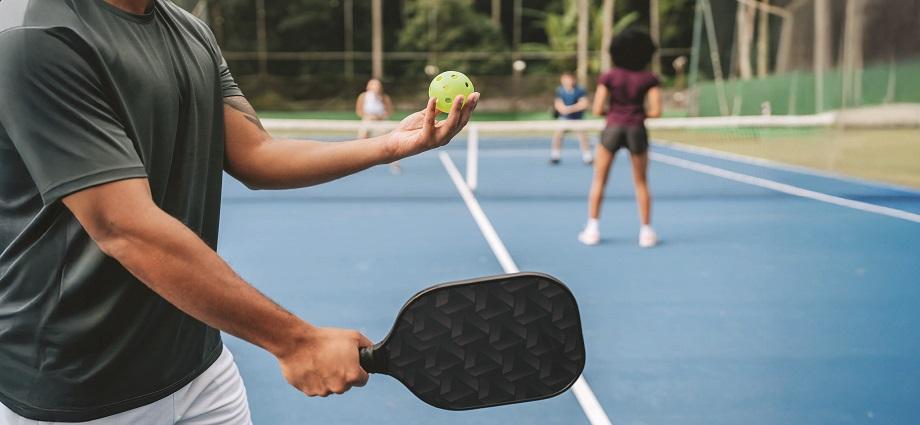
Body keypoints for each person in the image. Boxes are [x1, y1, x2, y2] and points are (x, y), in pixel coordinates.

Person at [0, 1, 479, 424]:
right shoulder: (39, 37)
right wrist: (294, 341)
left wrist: (391, 145)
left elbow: (256, 154)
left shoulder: (190, 32)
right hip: (79, 387)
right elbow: (124, 226)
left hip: (198, 366)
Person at [578, 28, 661, 248]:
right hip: (637, 130)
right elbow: (656, 111)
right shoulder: (649, 78)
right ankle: (646, 233)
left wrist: (616, 114)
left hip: (612, 128)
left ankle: (592, 230)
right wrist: (636, 113)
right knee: (641, 182)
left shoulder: (609, 76)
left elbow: (597, 109)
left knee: (599, 180)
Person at [356, 78, 401, 174]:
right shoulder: (363, 97)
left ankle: (394, 164)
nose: (375, 87)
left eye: (377, 85)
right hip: (367, 121)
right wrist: (368, 117)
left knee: (390, 141)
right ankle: (358, 162)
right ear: (368, 87)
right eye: (373, 85)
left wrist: (380, 117)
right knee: (361, 138)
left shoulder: (384, 97)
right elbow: (359, 111)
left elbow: (389, 111)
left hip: (381, 122)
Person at [550, 72, 593, 165]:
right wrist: (563, 109)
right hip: (564, 119)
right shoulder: (560, 91)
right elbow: (558, 104)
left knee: (583, 137)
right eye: (564, 80)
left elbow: (584, 104)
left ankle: (587, 157)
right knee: (557, 136)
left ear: (573, 80)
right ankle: (555, 156)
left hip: (577, 119)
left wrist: (569, 109)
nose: (567, 81)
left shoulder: (580, 90)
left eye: (568, 79)